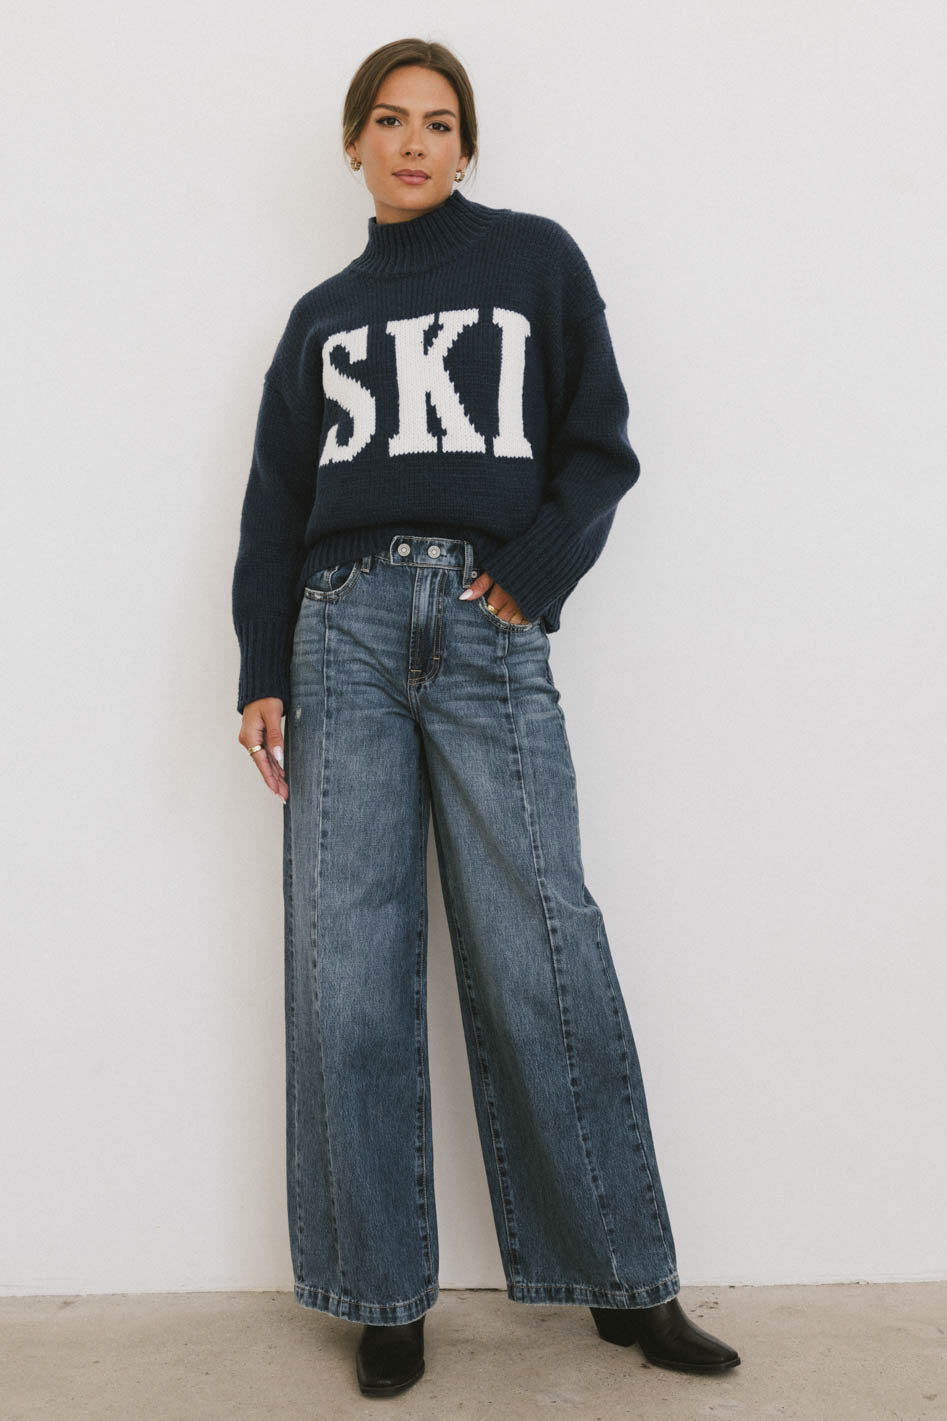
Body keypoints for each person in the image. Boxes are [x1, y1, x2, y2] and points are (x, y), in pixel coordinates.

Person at [232, 37, 740, 1400]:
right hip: (338, 634)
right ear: (354, 141)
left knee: (543, 945)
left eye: (441, 122)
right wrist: (260, 667)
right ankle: (380, 1295)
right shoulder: (321, 318)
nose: (415, 142)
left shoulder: (534, 261)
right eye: (391, 119)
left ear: (467, 145)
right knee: (348, 965)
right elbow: (277, 505)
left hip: (484, 627)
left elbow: (600, 443)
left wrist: (536, 568)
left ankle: (628, 1280)